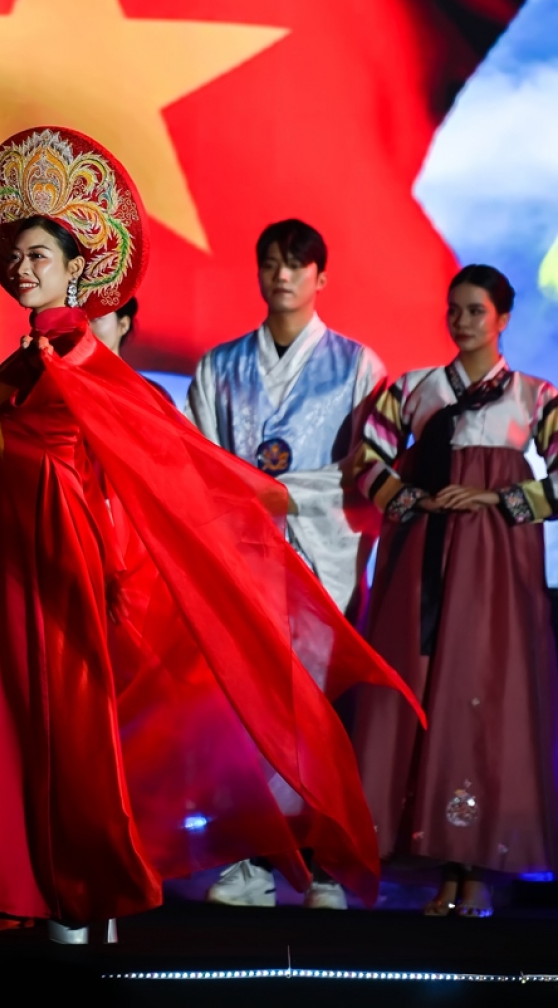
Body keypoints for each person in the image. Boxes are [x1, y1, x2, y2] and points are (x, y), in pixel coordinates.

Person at [0, 127, 418, 942]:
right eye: (19, 257)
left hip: (58, 559)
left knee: (63, 722)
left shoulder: (86, 360)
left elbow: (167, 454)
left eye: (40, 257)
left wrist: (238, 509)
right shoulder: (19, 365)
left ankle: (79, 884)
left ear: (74, 270)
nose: (24, 269)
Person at [186, 218, 385, 911]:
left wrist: (291, 494)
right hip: (243, 548)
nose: (283, 275)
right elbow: (202, 464)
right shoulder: (220, 364)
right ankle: (250, 856)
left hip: (324, 545)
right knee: (245, 705)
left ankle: (323, 860)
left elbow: (368, 470)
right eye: (272, 262)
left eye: (298, 265)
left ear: (321, 277)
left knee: (320, 707)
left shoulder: (359, 365)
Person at [352, 264, 558, 919]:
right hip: (428, 566)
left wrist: (498, 496)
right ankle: (442, 867)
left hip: (497, 570)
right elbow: (367, 460)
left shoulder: (534, 396)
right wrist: (413, 496)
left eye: (477, 311)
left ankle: (478, 869)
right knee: (423, 690)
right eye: (456, 309)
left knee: (485, 696)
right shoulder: (415, 389)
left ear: (502, 319)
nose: (463, 321)